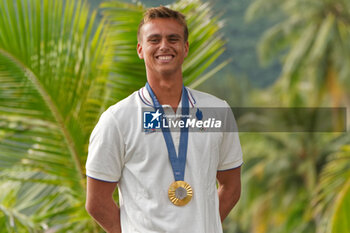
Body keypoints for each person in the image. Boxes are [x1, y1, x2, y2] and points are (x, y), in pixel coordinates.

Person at [85, 6, 243, 233]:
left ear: (185, 48)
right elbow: (96, 202)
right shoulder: (117, 120)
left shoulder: (217, 111)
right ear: (140, 49)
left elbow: (232, 187)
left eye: (173, 39)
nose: (164, 46)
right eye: (154, 39)